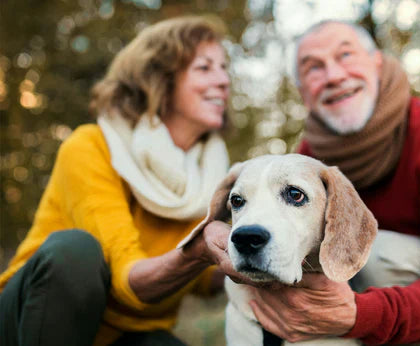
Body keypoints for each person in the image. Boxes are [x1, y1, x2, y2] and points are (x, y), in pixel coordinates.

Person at [247, 20, 420, 345]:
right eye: (313, 68)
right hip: (391, 301)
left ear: (377, 62)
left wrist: (357, 317)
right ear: (304, 92)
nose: (334, 76)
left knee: (377, 256)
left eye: (345, 55)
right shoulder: (308, 161)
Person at [0, 16, 243, 346]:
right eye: (204, 68)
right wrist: (196, 249)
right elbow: (128, 279)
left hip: (128, 333)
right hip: (27, 321)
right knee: (76, 251)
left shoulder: (212, 174)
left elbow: (199, 279)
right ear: (159, 78)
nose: (224, 80)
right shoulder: (90, 146)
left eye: (224, 67)